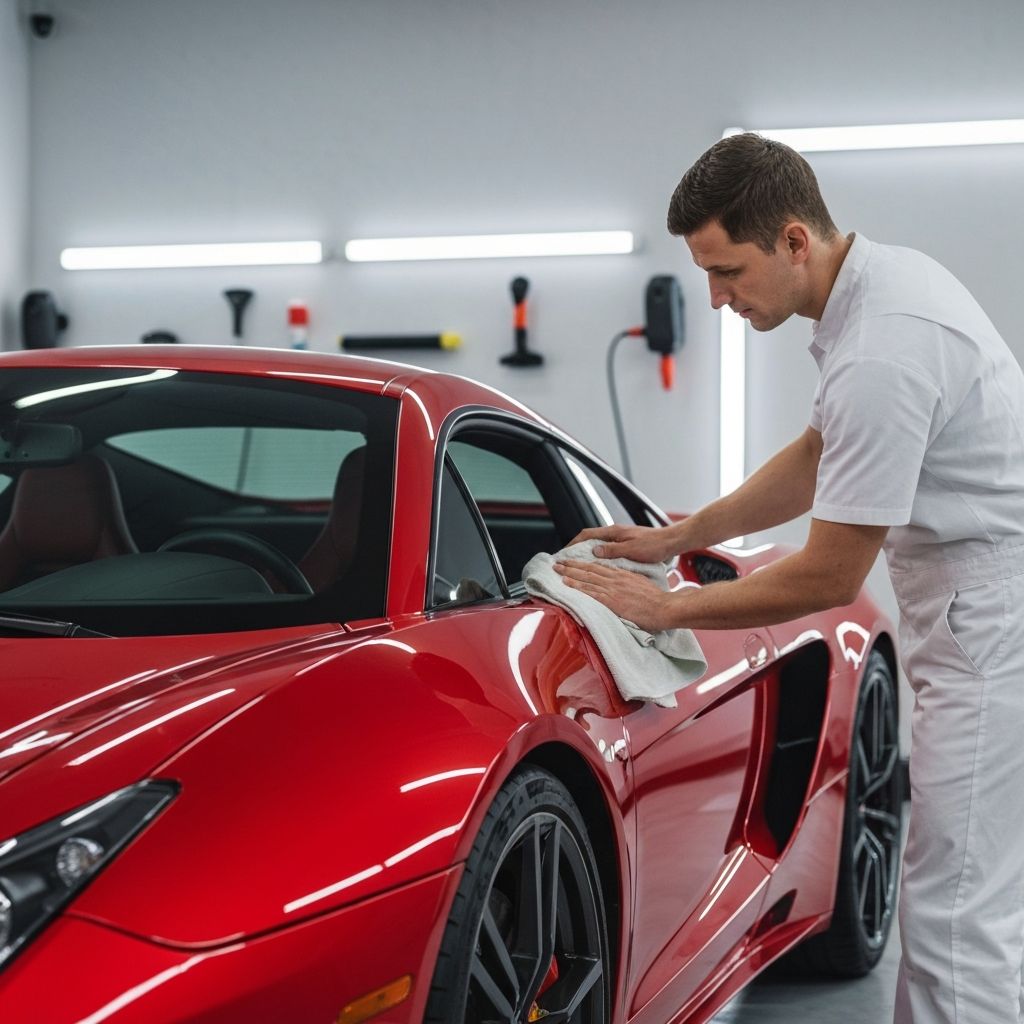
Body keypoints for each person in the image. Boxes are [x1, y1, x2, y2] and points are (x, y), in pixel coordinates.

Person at [554, 132, 1024, 1024]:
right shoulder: (872, 299)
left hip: (993, 619)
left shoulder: (884, 346)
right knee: (965, 892)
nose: (716, 296)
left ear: (795, 241)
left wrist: (670, 605)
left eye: (727, 270)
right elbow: (820, 455)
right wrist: (681, 534)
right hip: (977, 608)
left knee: (959, 918)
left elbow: (829, 572)